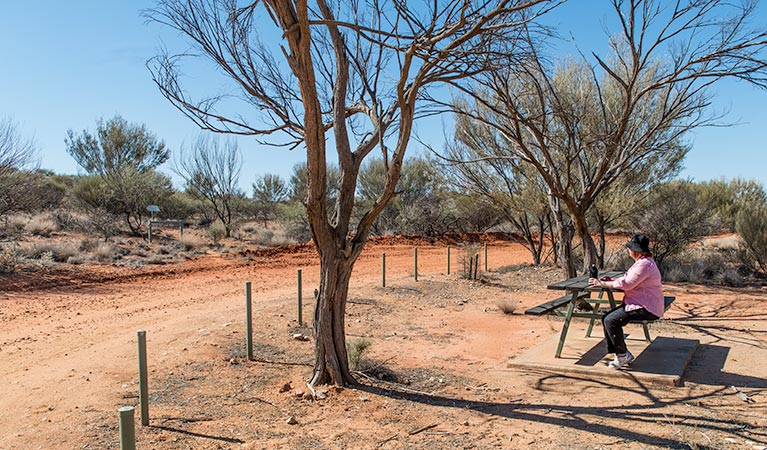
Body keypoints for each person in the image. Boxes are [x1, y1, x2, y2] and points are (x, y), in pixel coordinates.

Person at [588, 234, 664, 369]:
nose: (629, 250)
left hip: (646, 307)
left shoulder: (644, 265)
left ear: (637, 251)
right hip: (643, 303)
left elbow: (627, 285)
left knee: (611, 320)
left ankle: (622, 355)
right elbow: (627, 281)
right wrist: (612, 282)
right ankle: (621, 354)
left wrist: (603, 284)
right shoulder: (644, 263)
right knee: (608, 318)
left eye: (630, 248)